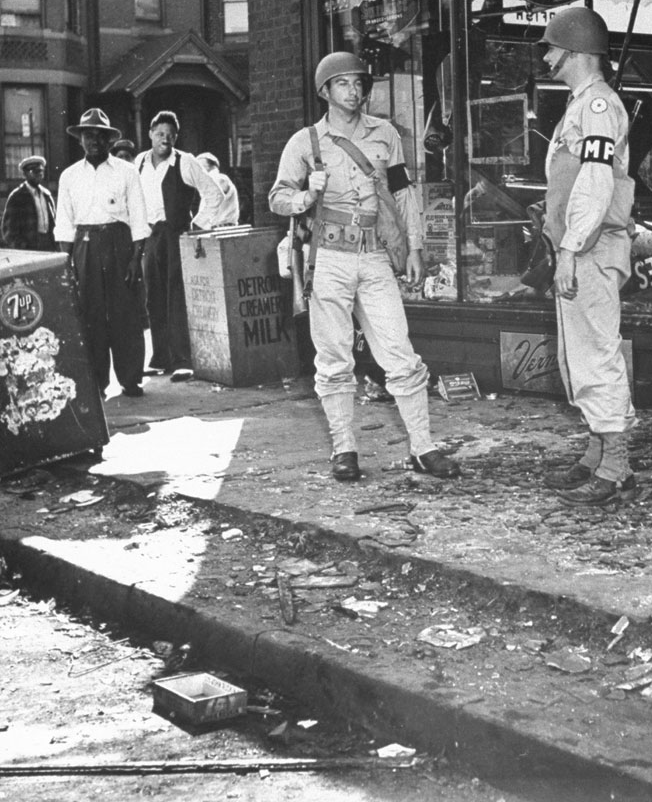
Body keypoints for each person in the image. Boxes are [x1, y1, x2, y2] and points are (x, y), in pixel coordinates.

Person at [268, 51, 459, 482]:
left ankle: (423, 447)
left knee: (401, 354)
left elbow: (403, 193)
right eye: (343, 84)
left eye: (358, 84)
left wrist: (412, 248)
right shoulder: (305, 142)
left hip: (374, 257)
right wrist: (305, 197)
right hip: (329, 257)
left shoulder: (384, 134)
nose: (353, 92)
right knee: (333, 358)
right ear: (325, 91)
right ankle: (344, 448)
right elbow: (277, 197)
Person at [536, 6, 637, 506]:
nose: (549, 58)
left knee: (596, 352)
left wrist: (571, 248)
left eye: (552, 48)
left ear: (575, 52)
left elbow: (596, 183)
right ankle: (597, 454)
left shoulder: (596, 106)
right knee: (577, 353)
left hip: (591, 249)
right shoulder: (580, 105)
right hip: (579, 247)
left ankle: (615, 465)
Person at [53, 109, 150, 398]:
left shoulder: (127, 171)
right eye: (87, 135)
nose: (93, 140)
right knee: (90, 313)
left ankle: (131, 378)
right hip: (84, 245)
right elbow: (64, 223)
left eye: (100, 135)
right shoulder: (69, 176)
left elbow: (139, 217)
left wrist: (135, 258)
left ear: (109, 140)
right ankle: (97, 382)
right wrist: (67, 264)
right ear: (80, 139)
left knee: (126, 313)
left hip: (119, 244)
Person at [134, 110, 224, 382]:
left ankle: (184, 360)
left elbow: (214, 195)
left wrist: (196, 226)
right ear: (150, 134)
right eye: (160, 134)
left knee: (177, 297)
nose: (165, 140)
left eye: (171, 136)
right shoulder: (139, 162)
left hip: (177, 236)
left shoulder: (185, 162)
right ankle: (161, 357)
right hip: (151, 236)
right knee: (154, 297)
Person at [1, 155, 56, 251]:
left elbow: (54, 223)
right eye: (34, 171)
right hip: (29, 248)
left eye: (41, 171)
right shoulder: (17, 197)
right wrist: (23, 247)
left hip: (48, 246)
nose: (39, 174)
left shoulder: (47, 195)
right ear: (25, 174)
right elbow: (8, 231)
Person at [196, 152, 240, 226]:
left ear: (211, 165)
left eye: (199, 165)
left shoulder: (220, 178)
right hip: (215, 228)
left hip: (224, 229)